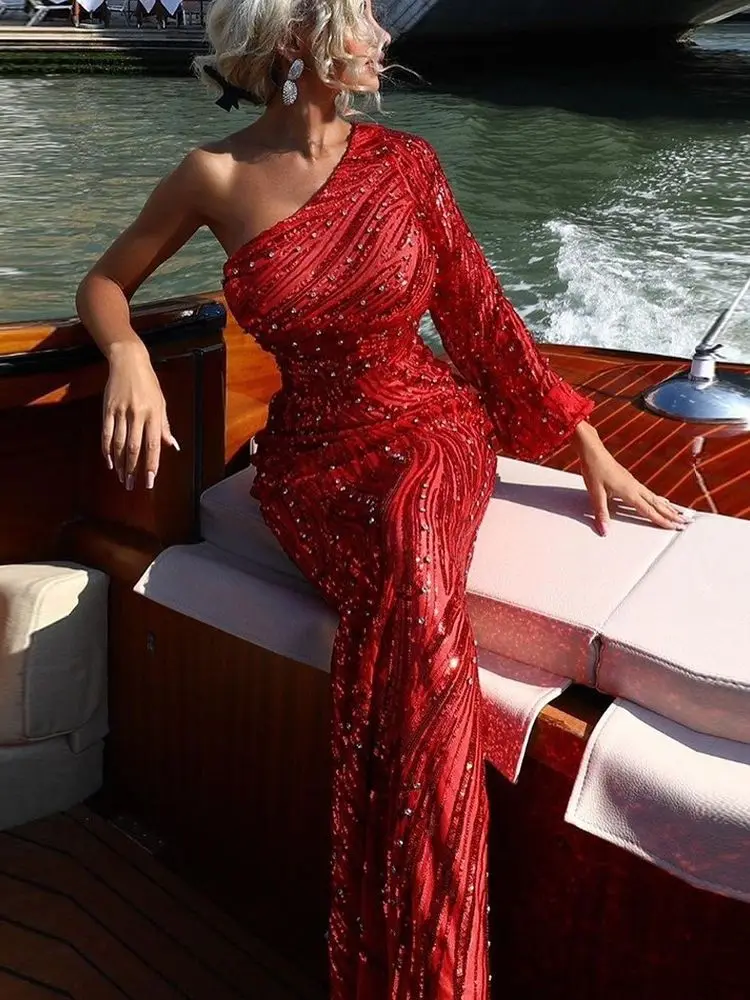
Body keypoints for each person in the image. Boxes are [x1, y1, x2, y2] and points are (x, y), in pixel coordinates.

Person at [75, 0, 690, 995]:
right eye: (361, 20)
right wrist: (129, 355)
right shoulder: (212, 174)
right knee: (406, 601)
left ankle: (421, 951)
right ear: (294, 44)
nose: (383, 39)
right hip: (310, 459)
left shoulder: (406, 164)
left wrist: (585, 444)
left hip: (431, 431)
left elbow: (480, 318)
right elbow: (105, 283)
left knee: (412, 575)